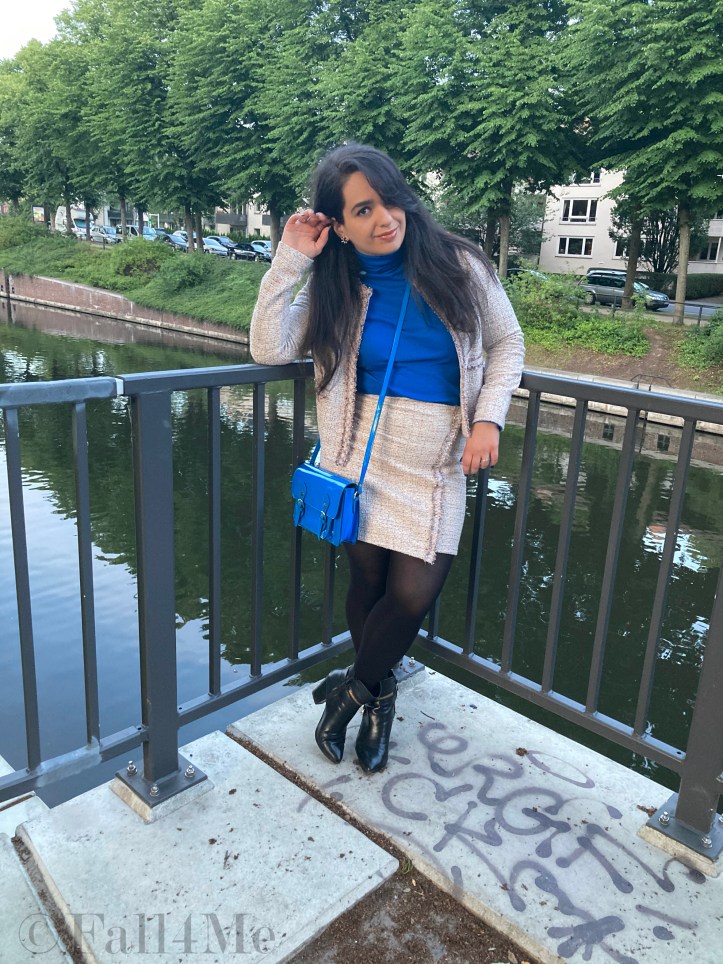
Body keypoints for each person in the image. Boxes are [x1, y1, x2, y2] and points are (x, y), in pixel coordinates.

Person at [250, 143, 524, 774]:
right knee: (368, 585)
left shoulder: (457, 264)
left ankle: (348, 695)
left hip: (433, 466)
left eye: (388, 198)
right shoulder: (335, 284)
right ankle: (380, 702)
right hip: (356, 457)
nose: (384, 218)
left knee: (411, 594)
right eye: (362, 210)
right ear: (339, 228)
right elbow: (267, 347)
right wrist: (291, 258)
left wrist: (488, 418)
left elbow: (507, 342)